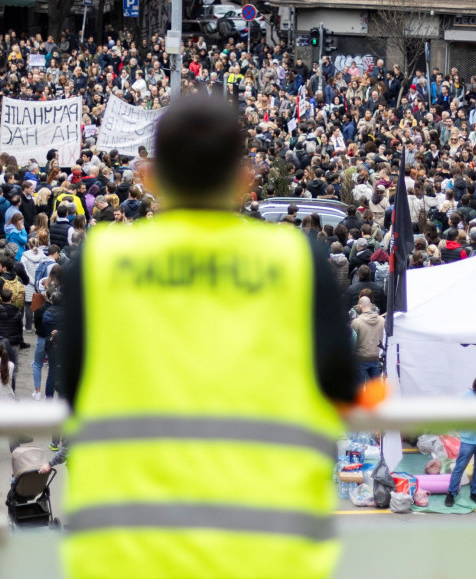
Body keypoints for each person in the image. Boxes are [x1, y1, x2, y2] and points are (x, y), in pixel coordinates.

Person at [56, 94, 358, 579]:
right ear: (245, 180)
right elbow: (340, 387)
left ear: (148, 177)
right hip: (270, 550)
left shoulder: (99, 262)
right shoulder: (297, 260)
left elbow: (72, 389)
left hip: (125, 551)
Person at [445, 372, 476, 508]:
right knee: (460, 467)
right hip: (469, 441)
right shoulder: (467, 397)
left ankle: (475, 492)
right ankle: (451, 493)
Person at [350, 296, 384, 384]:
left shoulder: (356, 322)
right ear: (371, 305)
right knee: (375, 389)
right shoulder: (382, 320)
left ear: (360, 306)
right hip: (376, 358)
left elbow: (352, 342)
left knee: (359, 389)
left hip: (360, 359)